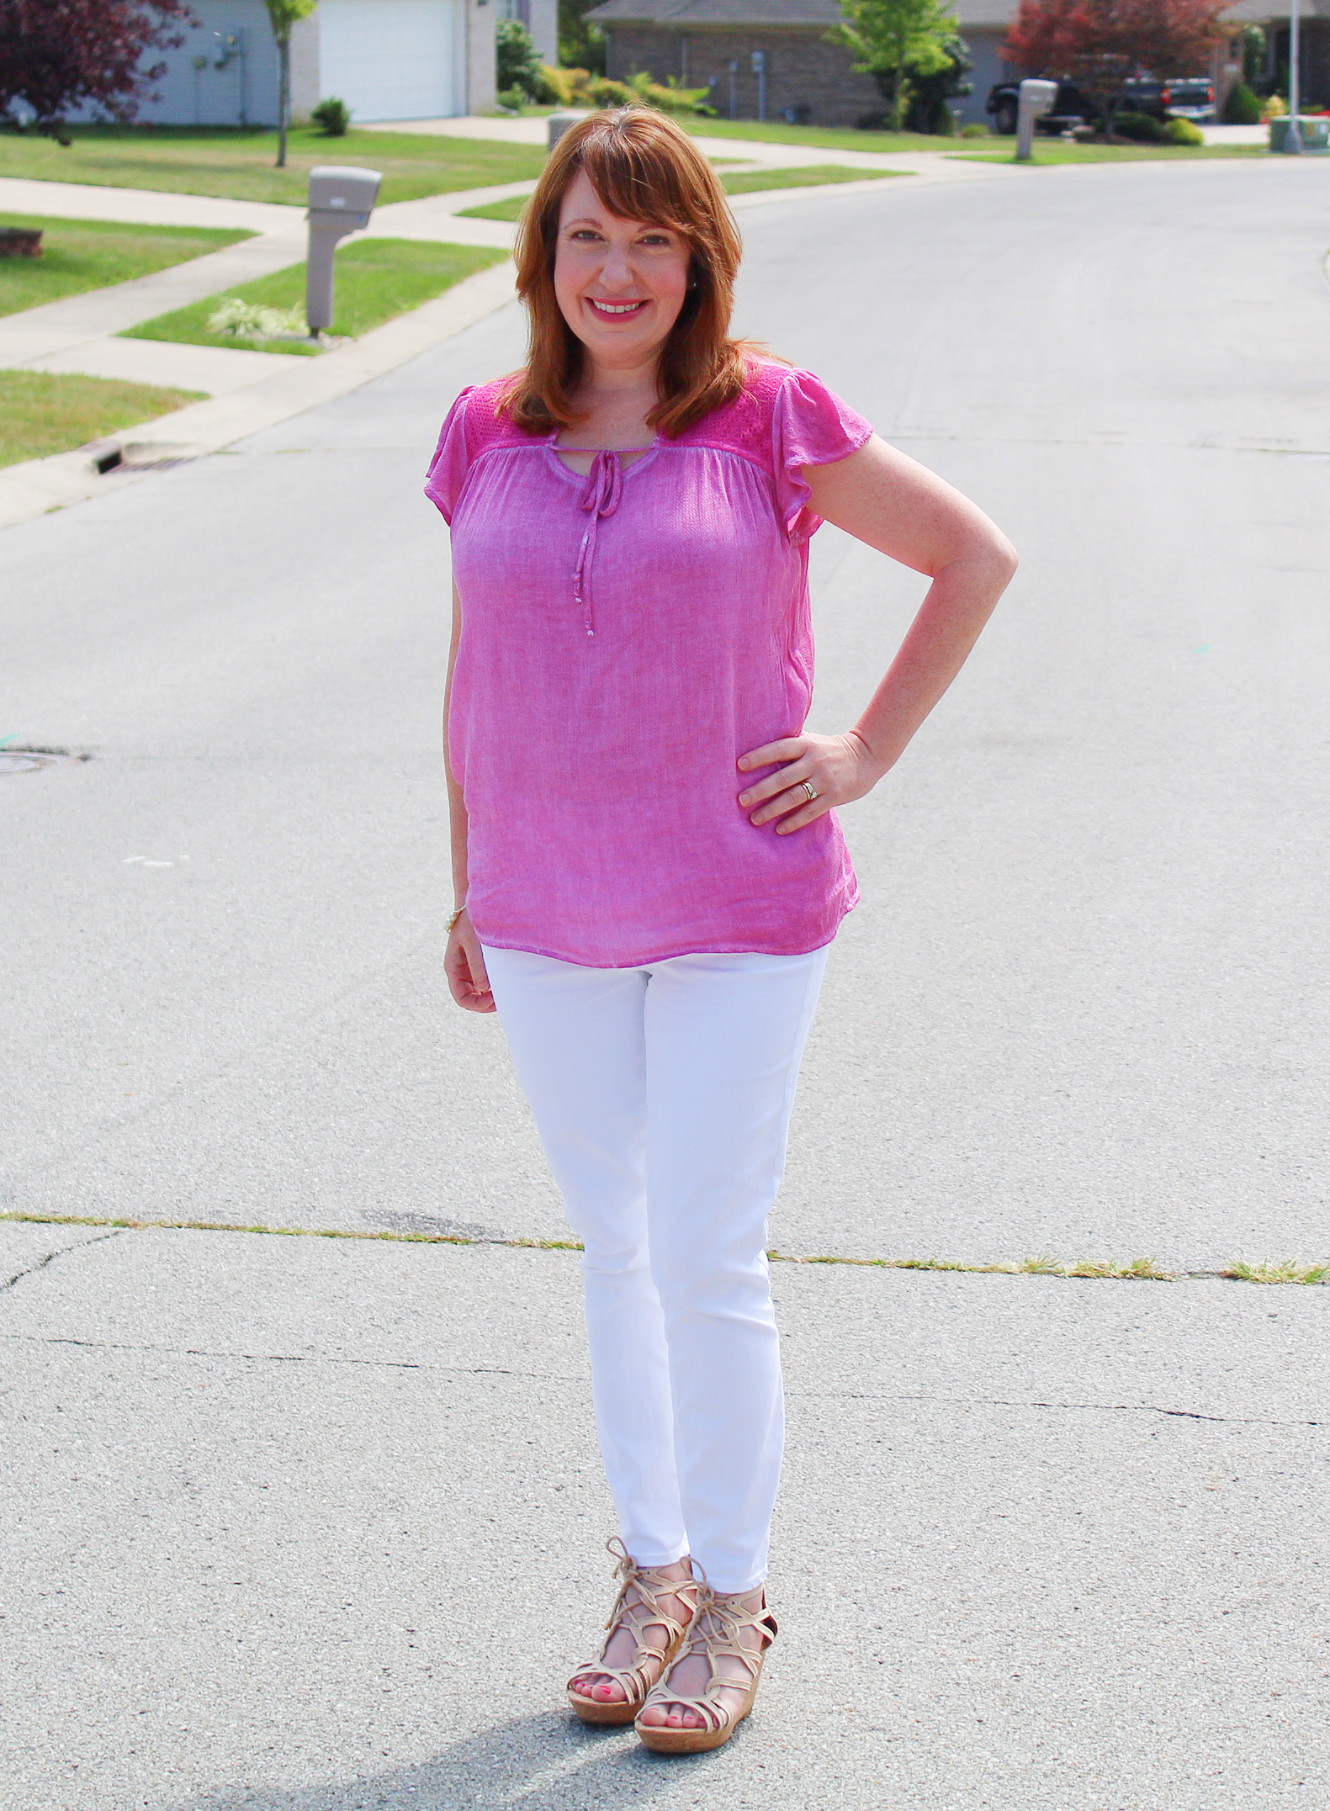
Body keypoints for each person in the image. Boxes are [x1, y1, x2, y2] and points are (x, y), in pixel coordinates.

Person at [426, 107, 1016, 1756]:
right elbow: (474, 676)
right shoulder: (482, 431)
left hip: (737, 905)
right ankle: (649, 1569)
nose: (616, 272)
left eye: (651, 240)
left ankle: (738, 1593)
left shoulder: (766, 416)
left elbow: (972, 556)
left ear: (699, 258)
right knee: (613, 1248)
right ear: (544, 257)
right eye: (586, 239)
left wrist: (864, 751)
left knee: (702, 1248)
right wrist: (466, 880)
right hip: (543, 906)